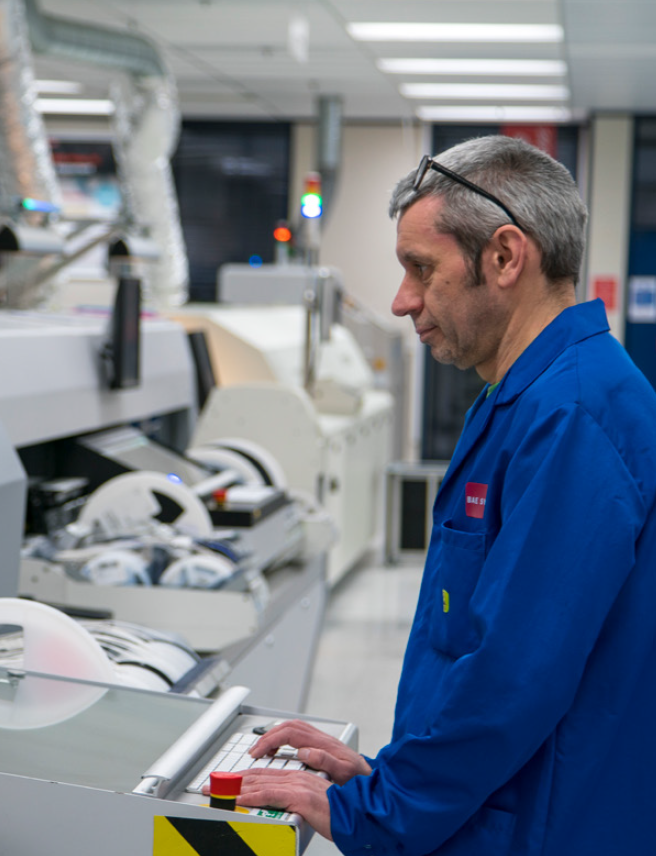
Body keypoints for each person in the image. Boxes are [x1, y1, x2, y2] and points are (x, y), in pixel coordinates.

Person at [211, 135, 656, 854]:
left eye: (420, 268)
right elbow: (478, 652)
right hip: (500, 808)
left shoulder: (573, 416)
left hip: (550, 826)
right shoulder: (517, 400)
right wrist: (380, 775)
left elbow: (515, 677)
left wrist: (383, 809)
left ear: (505, 257)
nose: (399, 300)